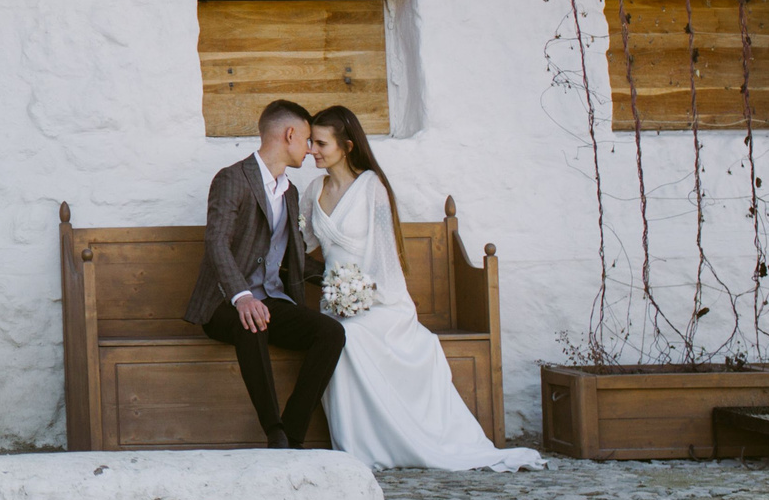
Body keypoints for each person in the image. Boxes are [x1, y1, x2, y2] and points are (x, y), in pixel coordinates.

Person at [305, 105, 540, 472]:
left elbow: (385, 258)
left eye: (320, 143)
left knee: (349, 338)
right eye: (310, 142)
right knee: (334, 334)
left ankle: (384, 445)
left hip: (380, 302)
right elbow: (304, 246)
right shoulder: (313, 190)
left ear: (347, 146)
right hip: (335, 300)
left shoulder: (372, 188)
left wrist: (362, 298)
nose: (312, 150)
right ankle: (357, 445)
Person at [186, 98, 346, 449]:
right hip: (223, 303)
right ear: (289, 134)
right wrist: (242, 297)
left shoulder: (289, 192)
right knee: (251, 322)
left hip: (272, 298)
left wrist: (341, 278)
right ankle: (274, 432)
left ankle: (293, 431)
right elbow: (216, 243)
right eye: (306, 140)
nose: (309, 150)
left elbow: (291, 259)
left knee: (330, 333)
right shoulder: (232, 179)